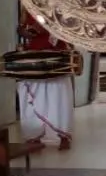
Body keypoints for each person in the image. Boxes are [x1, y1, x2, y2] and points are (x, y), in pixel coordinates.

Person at [16, 11, 75, 150]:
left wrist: (49, 26)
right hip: (34, 57)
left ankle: (63, 136)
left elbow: (71, 27)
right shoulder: (28, 5)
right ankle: (34, 137)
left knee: (59, 98)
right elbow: (20, 28)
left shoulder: (59, 5)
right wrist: (25, 32)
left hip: (57, 57)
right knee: (30, 98)